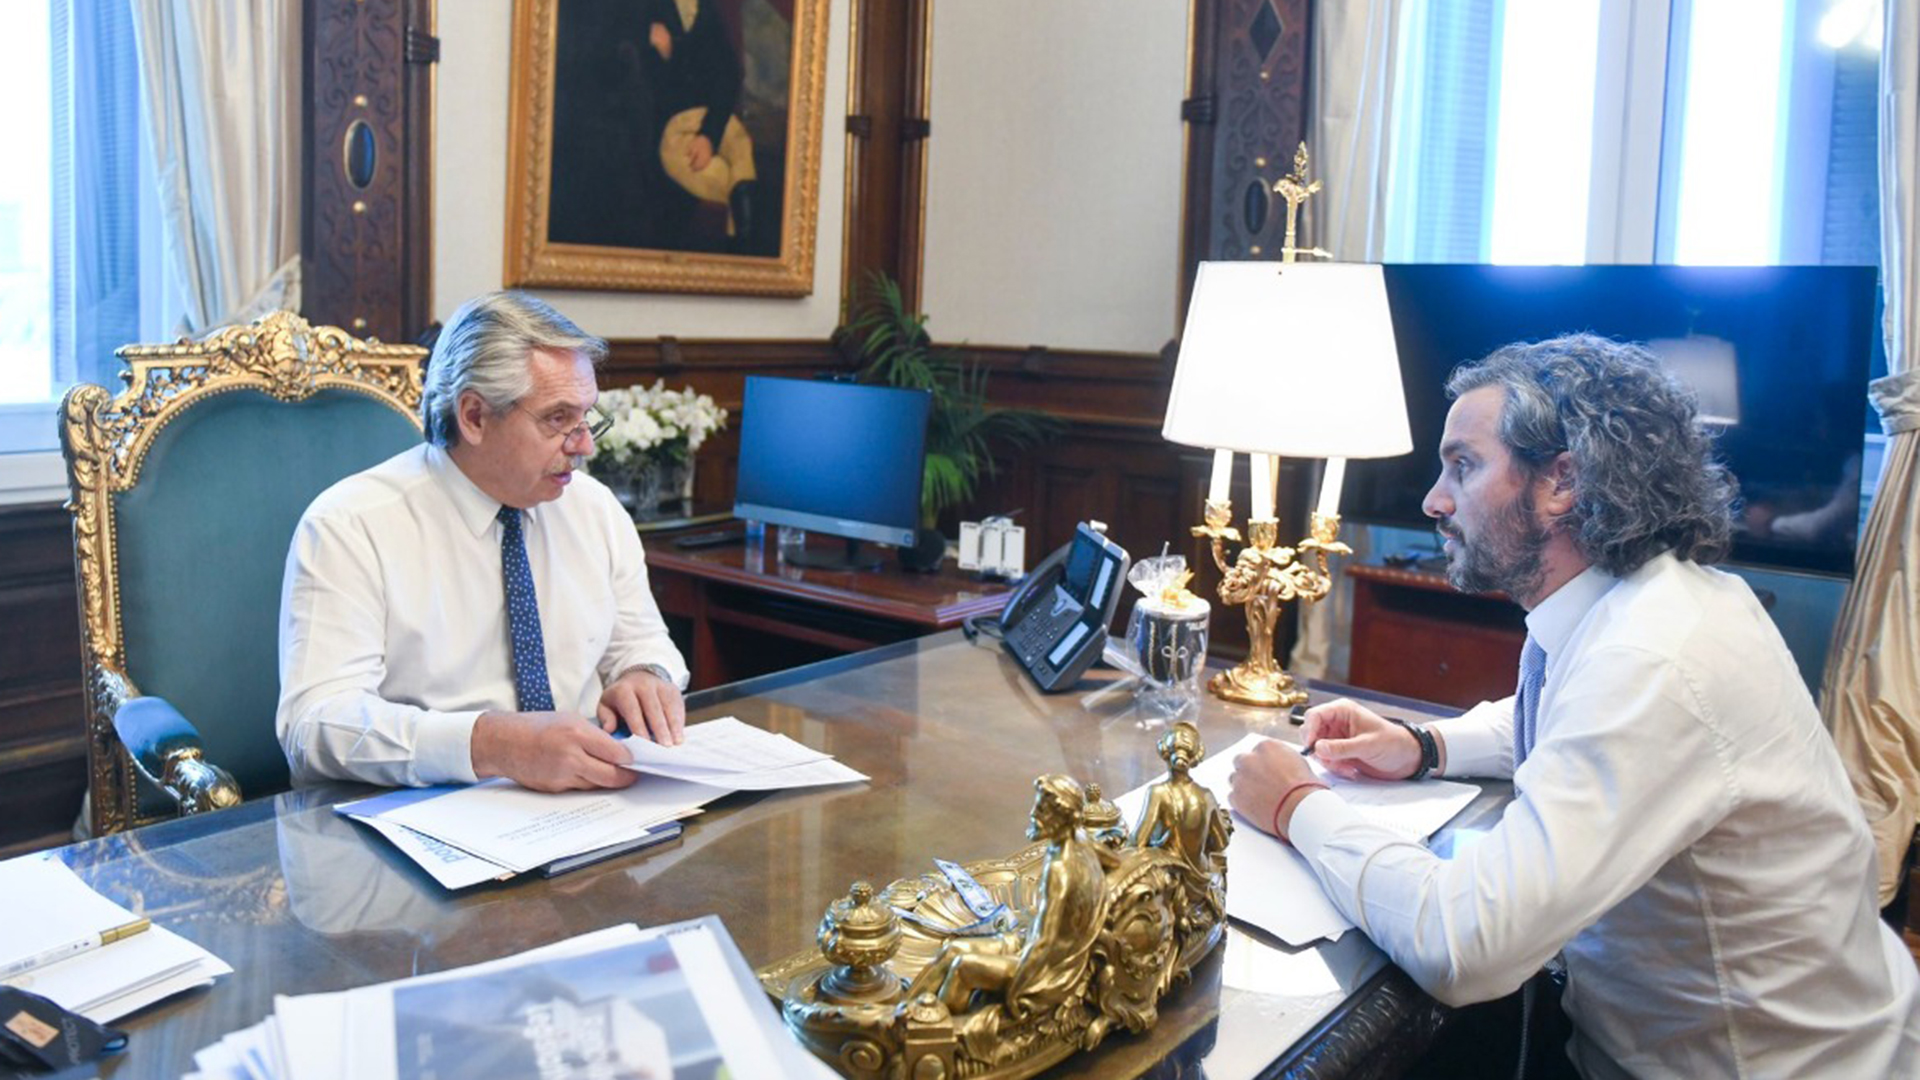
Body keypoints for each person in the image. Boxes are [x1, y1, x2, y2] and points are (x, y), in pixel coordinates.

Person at [1228, 334, 1920, 1077]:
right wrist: (1423, 745)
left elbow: (1468, 945)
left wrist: (1297, 804)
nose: (1434, 499)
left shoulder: (1653, 658)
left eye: (1463, 465)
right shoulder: (1657, 601)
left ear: (1563, 482)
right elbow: (1566, 718)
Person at [277, 291, 689, 794]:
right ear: (473, 416)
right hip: (414, 817)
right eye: (558, 419)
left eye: (587, 418)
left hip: (586, 807)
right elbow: (315, 722)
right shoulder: (351, 524)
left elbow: (642, 641)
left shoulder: (593, 507)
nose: (586, 445)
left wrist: (646, 674)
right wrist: (491, 744)